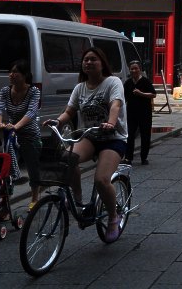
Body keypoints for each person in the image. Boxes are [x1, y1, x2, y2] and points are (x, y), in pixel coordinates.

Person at [44, 46, 128, 243]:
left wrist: (111, 123)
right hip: (91, 137)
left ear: (102, 63)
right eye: (86, 60)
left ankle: (113, 218)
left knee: (101, 180)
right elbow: (69, 111)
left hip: (113, 138)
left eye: (93, 59)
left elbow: (115, 105)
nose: (89, 62)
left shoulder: (112, 82)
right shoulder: (80, 88)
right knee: (67, 157)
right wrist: (58, 121)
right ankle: (78, 197)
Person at [0, 59, 42, 208]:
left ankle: (35, 198)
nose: (11, 75)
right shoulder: (5, 91)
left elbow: (31, 112)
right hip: (11, 135)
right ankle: (5, 200)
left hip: (29, 135)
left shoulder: (33, 91)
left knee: (32, 167)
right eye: (10, 72)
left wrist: (16, 126)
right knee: (7, 168)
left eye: (15, 72)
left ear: (24, 75)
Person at [123, 60, 156, 165]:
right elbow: (123, 97)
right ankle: (128, 157)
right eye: (132, 69)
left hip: (144, 112)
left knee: (145, 134)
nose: (134, 70)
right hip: (131, 112)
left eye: (136, 68)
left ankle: (144, 157)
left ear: (140, 69)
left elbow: (153, 94)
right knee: (130, 135)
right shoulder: (128, 83)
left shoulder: (145, 81)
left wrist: (141, 93)